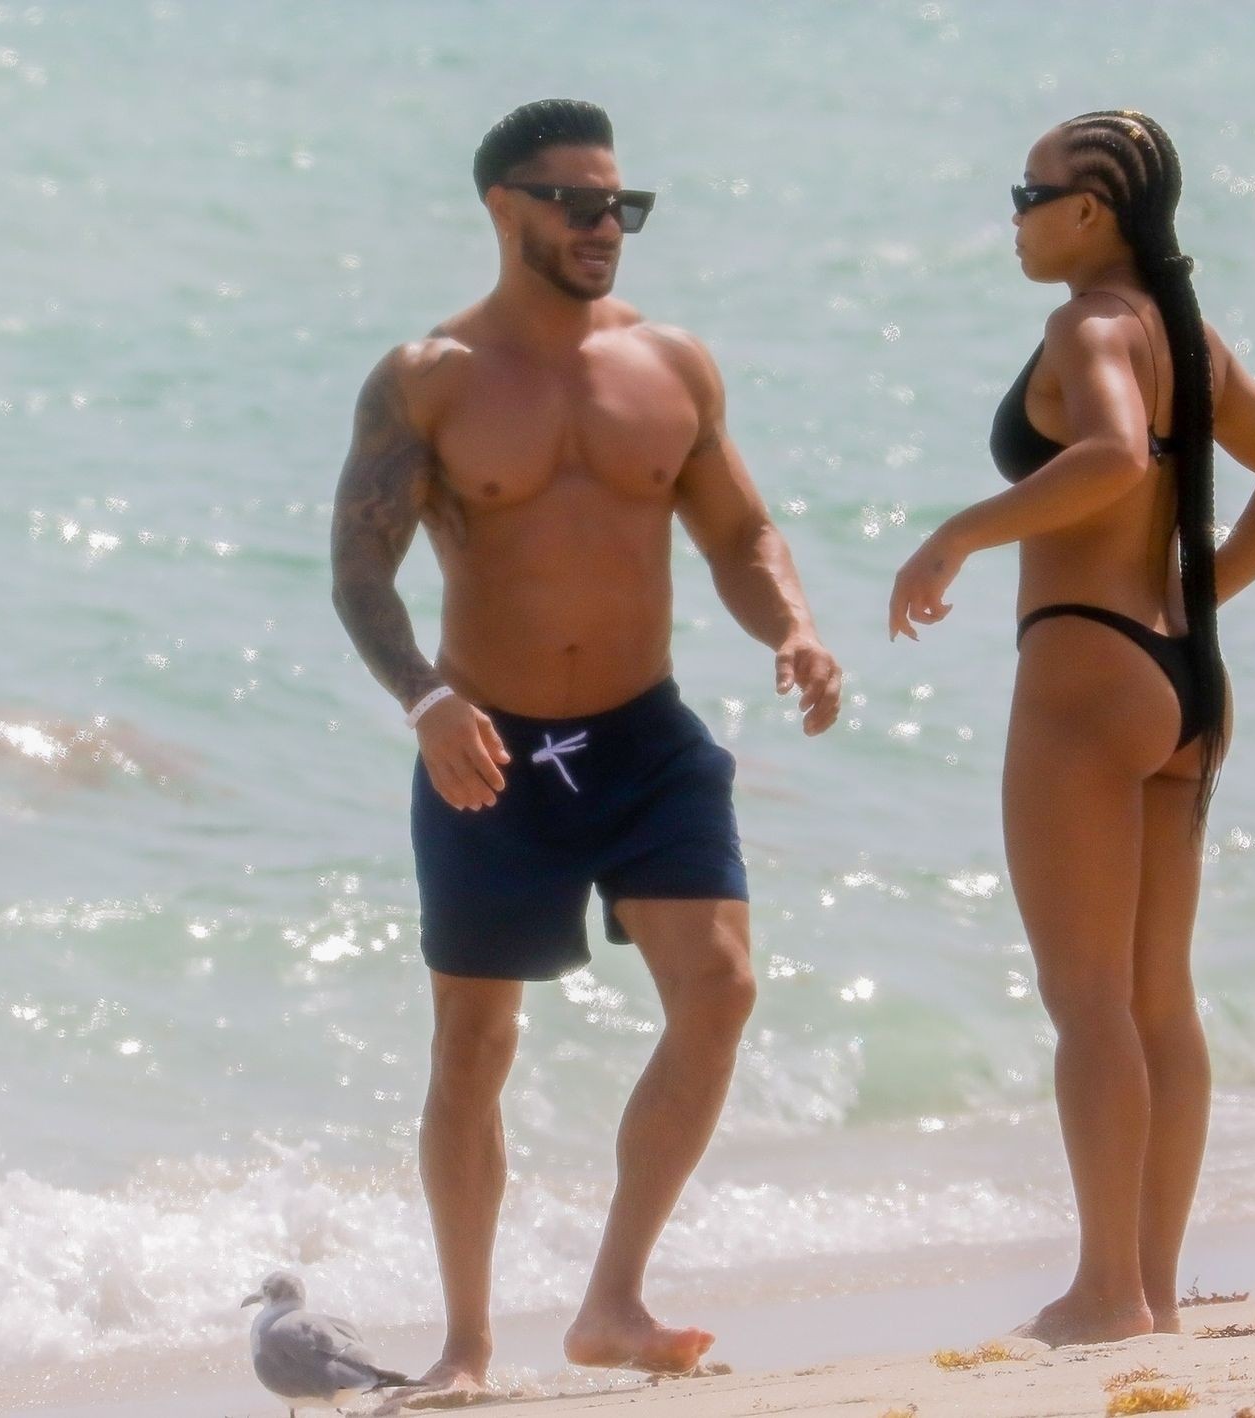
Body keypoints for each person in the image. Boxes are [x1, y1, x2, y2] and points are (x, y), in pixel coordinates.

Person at [329, 98, 842, 1401]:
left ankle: (612, 1298)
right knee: (473, 1045)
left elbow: (738, 533)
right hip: (489, 746)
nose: (605, 225)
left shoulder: (671, 364)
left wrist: (792, 626)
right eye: (577, 202)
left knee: (720, 986)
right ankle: (465, 1344)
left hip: (642, 736)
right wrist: (424, 701)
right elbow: (361, 569)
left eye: (621, 204)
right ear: (504, 207)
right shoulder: (429, 377)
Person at [888, 109, 1255, 1344]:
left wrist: (959, 533)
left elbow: (1114, 456)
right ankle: (1151, 1286)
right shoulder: (1188, 336)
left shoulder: (1088, 325)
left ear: (1089, 210)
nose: (1015, 217)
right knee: (1157, 1001)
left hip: (1086, 668)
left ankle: (1104, 1291)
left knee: (1087, 1000)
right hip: (1186, 678)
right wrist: (1195, 597)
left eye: (1027, 194)